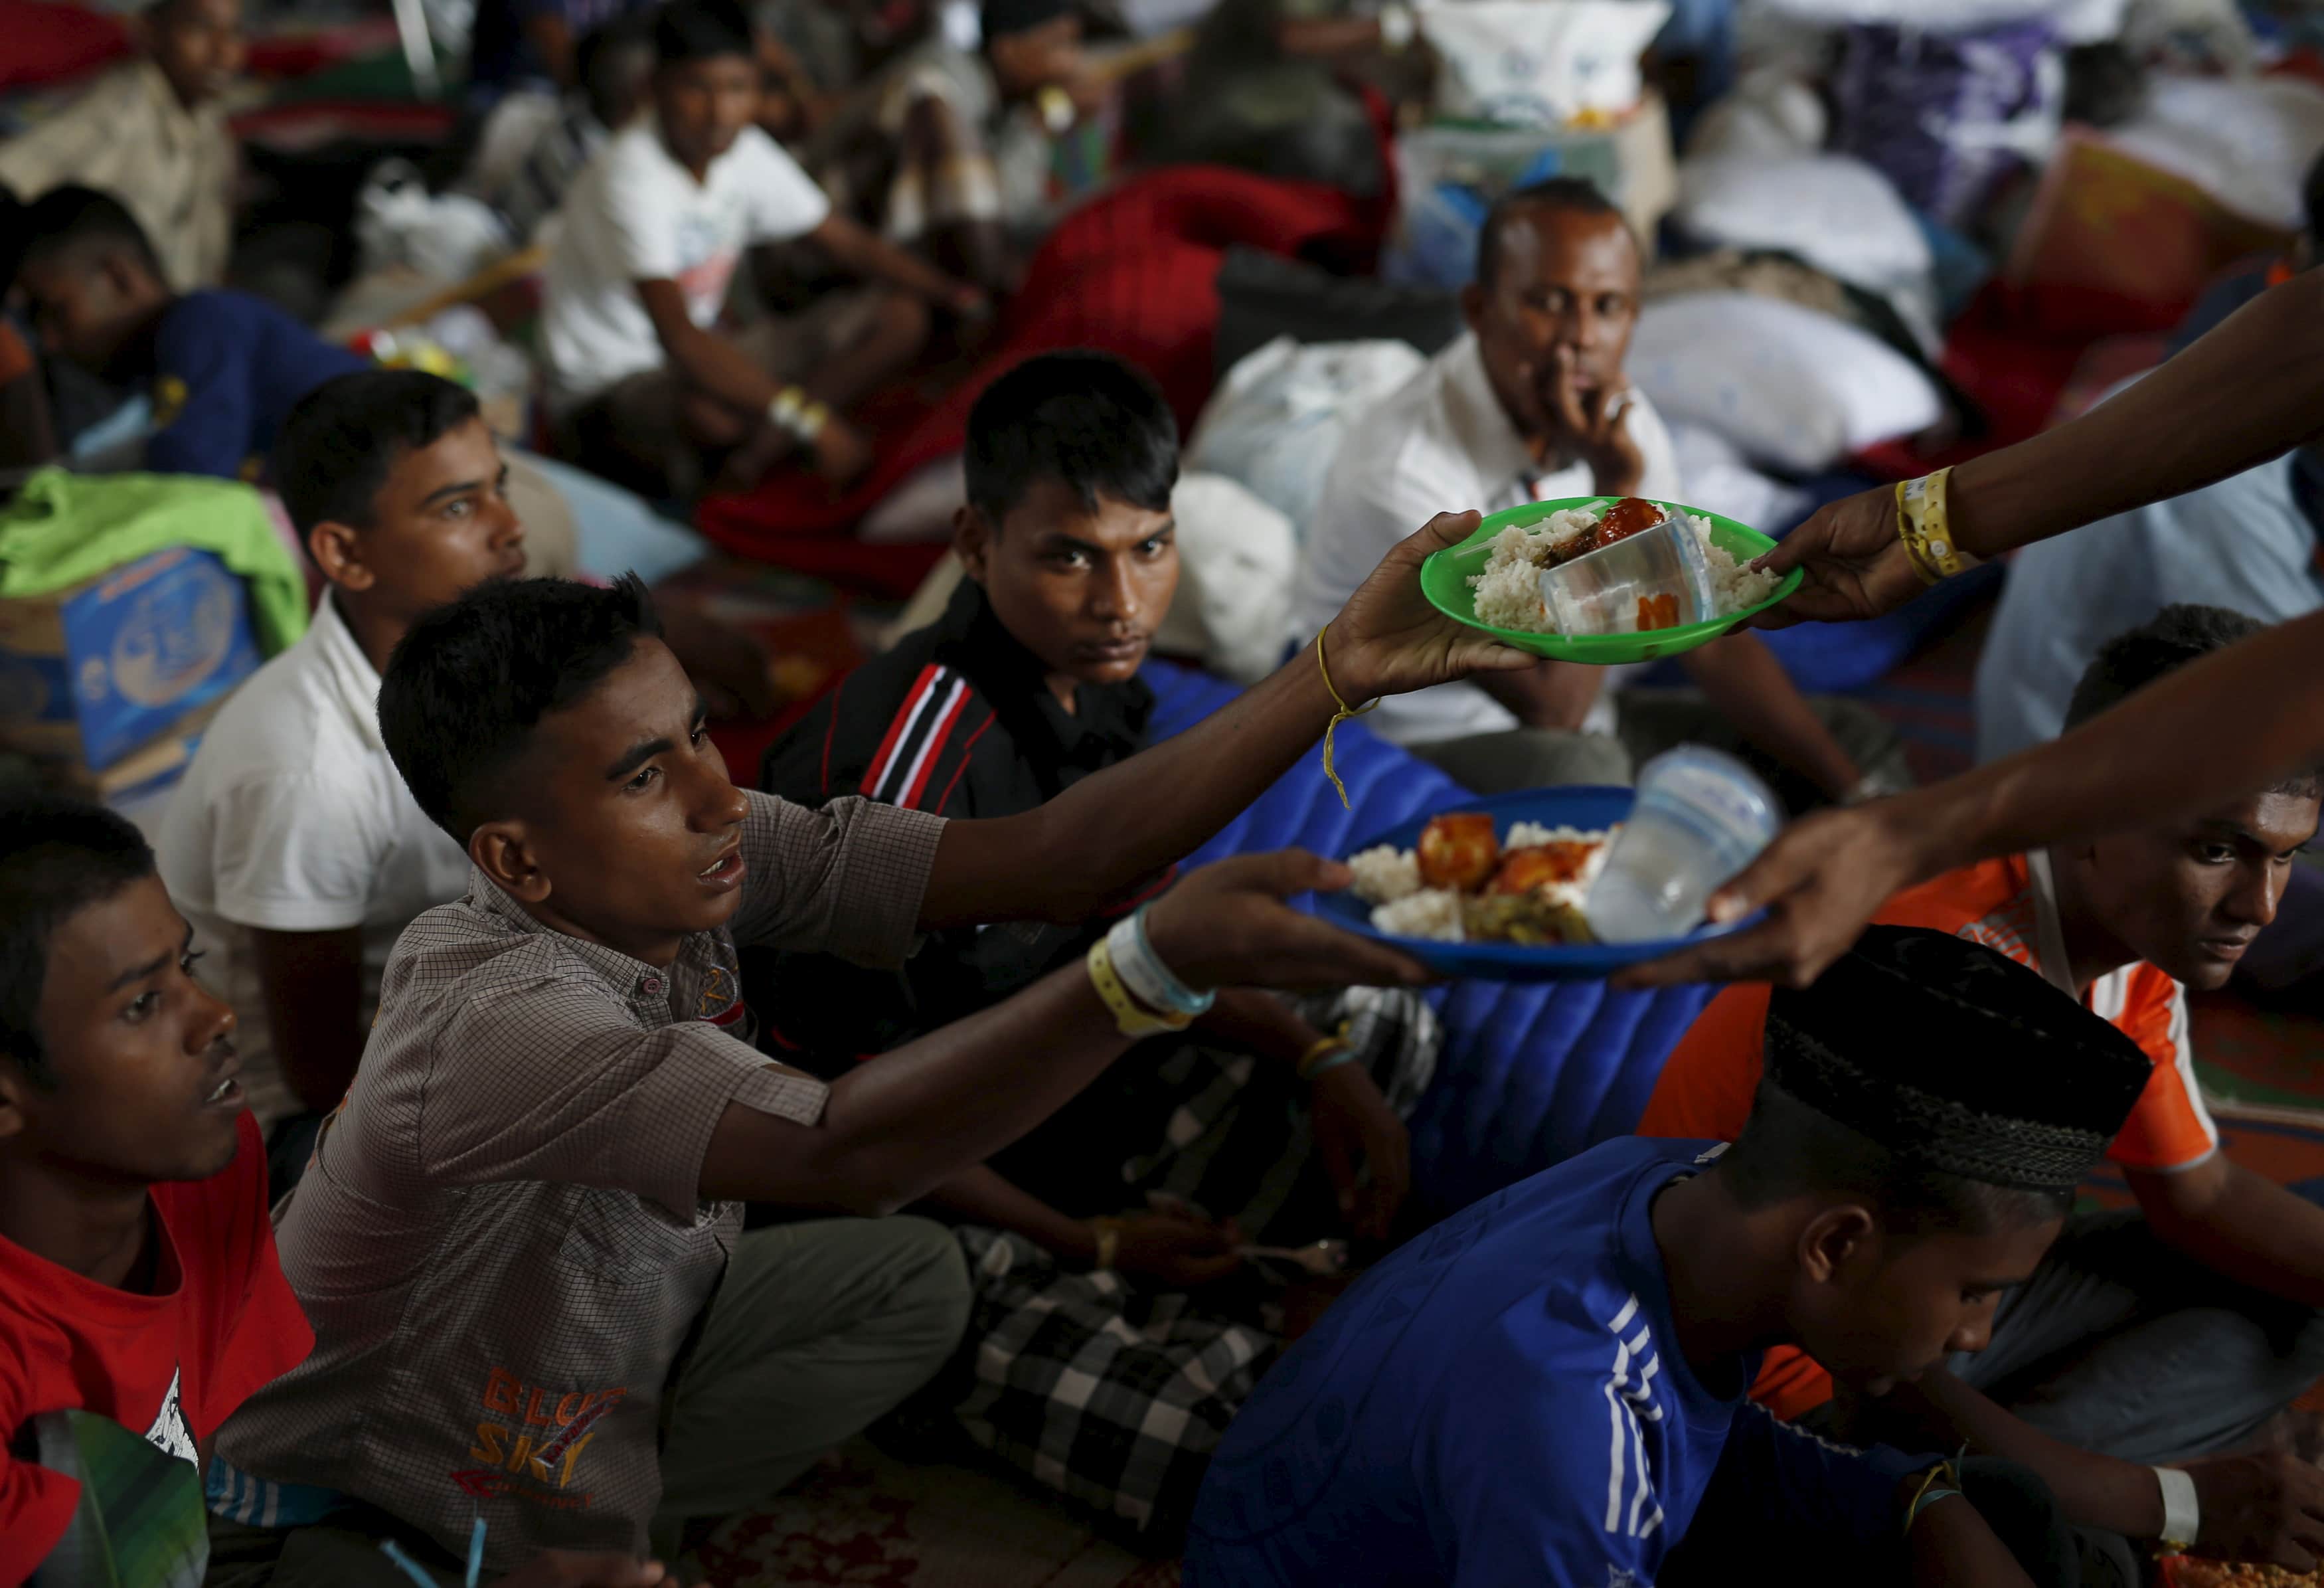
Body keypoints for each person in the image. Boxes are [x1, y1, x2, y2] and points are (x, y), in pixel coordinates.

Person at [205, 507, 1536, 1571]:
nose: (722, 790)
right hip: (334, 1497)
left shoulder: (701, 851)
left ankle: (593, 1512)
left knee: (912, 1283)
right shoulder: (500, 1017)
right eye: (642, 774)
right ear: (517, 860)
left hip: (564, 1363)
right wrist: (1151, 966)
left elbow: (1056, 859)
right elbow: (847, 1149)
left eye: (698, 735)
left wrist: (1332, 674)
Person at [754, 351, 1438, 1533]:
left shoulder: (1100, 682)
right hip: (911, 1199)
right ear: (974, 543)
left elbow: (1139, 935)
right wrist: (1089, 1241)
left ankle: (1168, 1287)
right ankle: (1032, 1331)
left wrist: (1316, 1064)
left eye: (1149, 548)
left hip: (1059, 1097)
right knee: (1222, 1457)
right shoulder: (909, 765)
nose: (1121, 600)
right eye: (1070, 555)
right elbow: (825, 1113)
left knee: (1378, 1028)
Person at [1637, 604, 2324, 1555]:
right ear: (2093, 809)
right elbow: (1879, 1368)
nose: (2261, 905)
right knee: (2039, 1525)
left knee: (2298, 1266)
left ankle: (2043, 1479)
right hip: (1803, 1374)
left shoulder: (2138, 931)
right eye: (2218, 850)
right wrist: (2182, 1502)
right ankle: (2040, 1500)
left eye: (2287, 855)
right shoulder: (1958, 974)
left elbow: (2197, 1196)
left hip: (1944, 1295)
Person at [1184, 926, 2155, 1587]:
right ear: (1839, 1244)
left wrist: (1912, 1498)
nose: (1976, 1333)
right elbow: (1617, 1451)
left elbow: (1705, 1437)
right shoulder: (1567, 1418)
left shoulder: (1678, 1186)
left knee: (1994, 1503)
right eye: (1976, 1293)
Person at [1618, 266, 2324, 992]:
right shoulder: (2233, 492)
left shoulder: (2141, 992)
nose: (2258, 908)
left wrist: (1904, 832)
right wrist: (1932, 523)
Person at [1288, 176, 1906, 807]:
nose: (1581, 336)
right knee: (1585, 770)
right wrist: (1616, 496)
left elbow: (1702, 624)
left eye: (1607, 306)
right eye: (1550, 302)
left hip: (1594, 722)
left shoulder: (1619, 415)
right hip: (1414, 750)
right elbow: (1554, 706)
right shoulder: (1406, 473)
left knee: (1849, 739)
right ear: (1479, 311)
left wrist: (1852, 792)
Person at [155, 371, 527, 1191]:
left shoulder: (474, 663)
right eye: (458, 507)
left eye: (498, 489)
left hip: (449, 1021)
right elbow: (322, 1076)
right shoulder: (305, 769)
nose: (510, 528)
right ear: (343, 554)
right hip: (313, 1130)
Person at [540, 0, 990, 500]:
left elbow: (846, 241)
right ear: (655, 86)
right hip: (610, 388)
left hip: (698, 351)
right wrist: (812, 422)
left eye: (738, 89)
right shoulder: (629, 176)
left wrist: (955, 295)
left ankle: (764, 448)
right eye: (697, 88)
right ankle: (778, 442)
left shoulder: (741, 150)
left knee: (900, 315)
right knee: (711, 415)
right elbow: (680, 339)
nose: (720, 112)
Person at [9, 185, 366, 480]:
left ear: (118, 278)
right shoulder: (170, 358)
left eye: (57, 312)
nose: (50, 342)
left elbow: (194, 474)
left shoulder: (201, 323)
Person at [0, 0, 242, 294]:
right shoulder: (116, 116)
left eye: (234, 32)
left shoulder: (209, 125)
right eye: (200, 28)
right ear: (148, 32)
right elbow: (13, 178)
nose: (224, 51)